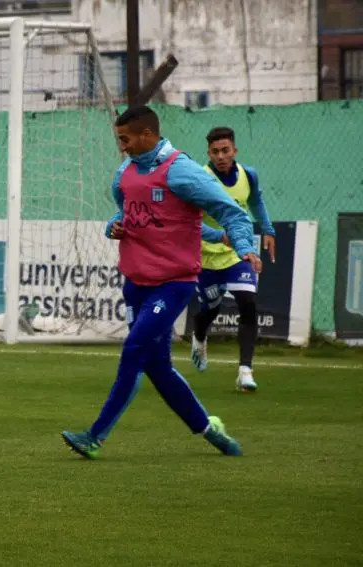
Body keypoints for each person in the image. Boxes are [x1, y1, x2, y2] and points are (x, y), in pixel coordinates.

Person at [62, 106, 262, 459]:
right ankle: (210, 430)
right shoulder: (125, 172)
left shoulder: (181, 171)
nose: (121, 146)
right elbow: (124, 213)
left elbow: (231, 211)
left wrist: (244, 245)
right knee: (158, 368)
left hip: (173, 284)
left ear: (147, 135)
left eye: (125, 139)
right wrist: (114, 226)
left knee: (134, 349)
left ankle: (94, 436)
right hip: (135, 284)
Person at [191, 126, 275, 392]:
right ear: (208, 153)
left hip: (239, 252)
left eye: (225, 150)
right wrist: (218, 236)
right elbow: (189, 222)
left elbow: (256, 201)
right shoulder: (199, 179)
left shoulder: (248, 175)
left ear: (234, 151)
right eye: (215, 151)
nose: (220, 156)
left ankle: (245, 371)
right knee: (210, 310)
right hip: (206, 257)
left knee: (247, 302)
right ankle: (199, 336)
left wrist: (268, 229)